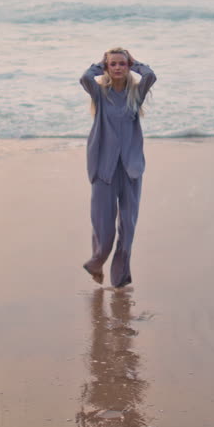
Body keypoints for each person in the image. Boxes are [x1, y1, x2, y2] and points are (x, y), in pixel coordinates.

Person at [80, 48, 156, 288]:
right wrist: (100, 65)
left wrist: (135, 64)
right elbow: (84, 78)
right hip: (104, 166)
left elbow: (150, 75)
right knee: (103, 225)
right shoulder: (100, 93)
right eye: (113, 64)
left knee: (128, 225)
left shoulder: (136, 93)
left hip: (131, 168)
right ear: (107, 67)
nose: (118, 68)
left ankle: (120, 279)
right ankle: (97, 261)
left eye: (122, 64)